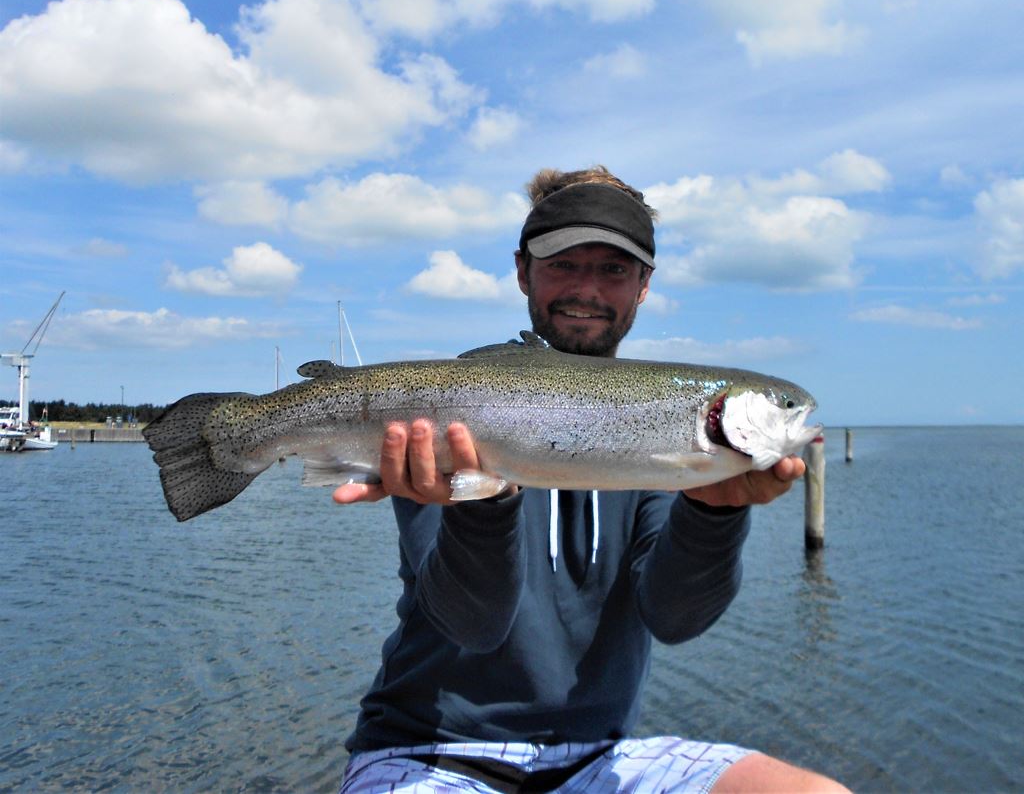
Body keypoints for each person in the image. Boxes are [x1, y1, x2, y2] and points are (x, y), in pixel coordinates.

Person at [333, 167, 848, 793]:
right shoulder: (454, 408)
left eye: (613, 269)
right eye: (563, 264)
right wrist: (481, 501)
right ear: (522, 271)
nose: (587, 289)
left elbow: (675, 618)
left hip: (604, 756)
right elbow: (473, 626)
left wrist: (714, 512)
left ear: (644, 286)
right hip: (429, 750)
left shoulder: (675, 441)